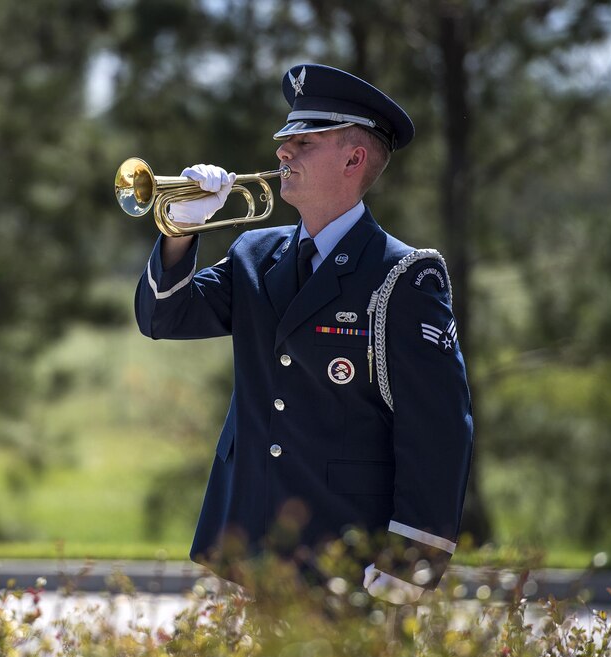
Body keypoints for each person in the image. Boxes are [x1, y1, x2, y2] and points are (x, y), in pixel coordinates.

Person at [135, 64, 473, 604]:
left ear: (353, 158)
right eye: (284, 141)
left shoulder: (404, 276)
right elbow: (162, 319)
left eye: (304, 141)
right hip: (247, 551)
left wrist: (411, 568)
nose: (282, 153)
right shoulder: (254, 253)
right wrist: (182, 230)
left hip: (346, 559)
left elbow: (438, 433)